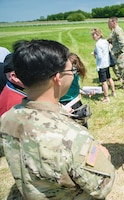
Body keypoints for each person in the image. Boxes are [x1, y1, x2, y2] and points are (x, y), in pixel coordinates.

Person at [0, 39, 115, 199]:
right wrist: (104, 155)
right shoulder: (74, 136)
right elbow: (101, 187)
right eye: (71, 71)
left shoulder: (8, 118)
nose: (73, 73)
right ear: (57, 78)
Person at [60, 52, 91, 127]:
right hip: (63, 104)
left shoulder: (76, 75)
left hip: (76, 102)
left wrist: (85, 92)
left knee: (81, 126)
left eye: (76, 69)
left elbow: (75, 88)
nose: (74, 72)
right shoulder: (62, 77)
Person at [91, 28, 116, 103]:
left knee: (103, 82)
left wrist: (94, 54)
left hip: (101, 65)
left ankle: (106, 97)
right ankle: (113, 92)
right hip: (107, 63)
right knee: (109, 78)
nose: (92, 36)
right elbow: (109, 49)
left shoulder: (98, 44)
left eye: (93, 35)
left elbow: (100, 56)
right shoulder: (105, 41)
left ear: (98, 35)